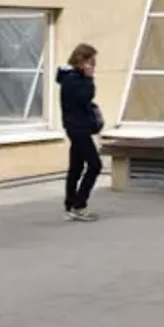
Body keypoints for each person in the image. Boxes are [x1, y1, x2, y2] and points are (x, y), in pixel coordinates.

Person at [57, 43, 103, 222]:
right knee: (95, 165)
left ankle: (70, 205)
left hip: (75, 126)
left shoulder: (70, 78)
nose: (93, 65)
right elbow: (86, 96)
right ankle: (79, 204)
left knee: (76, 167)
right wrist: (89, 78)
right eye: (91, 62)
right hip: (78, 128)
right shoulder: (73, 80)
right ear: (81, 61)